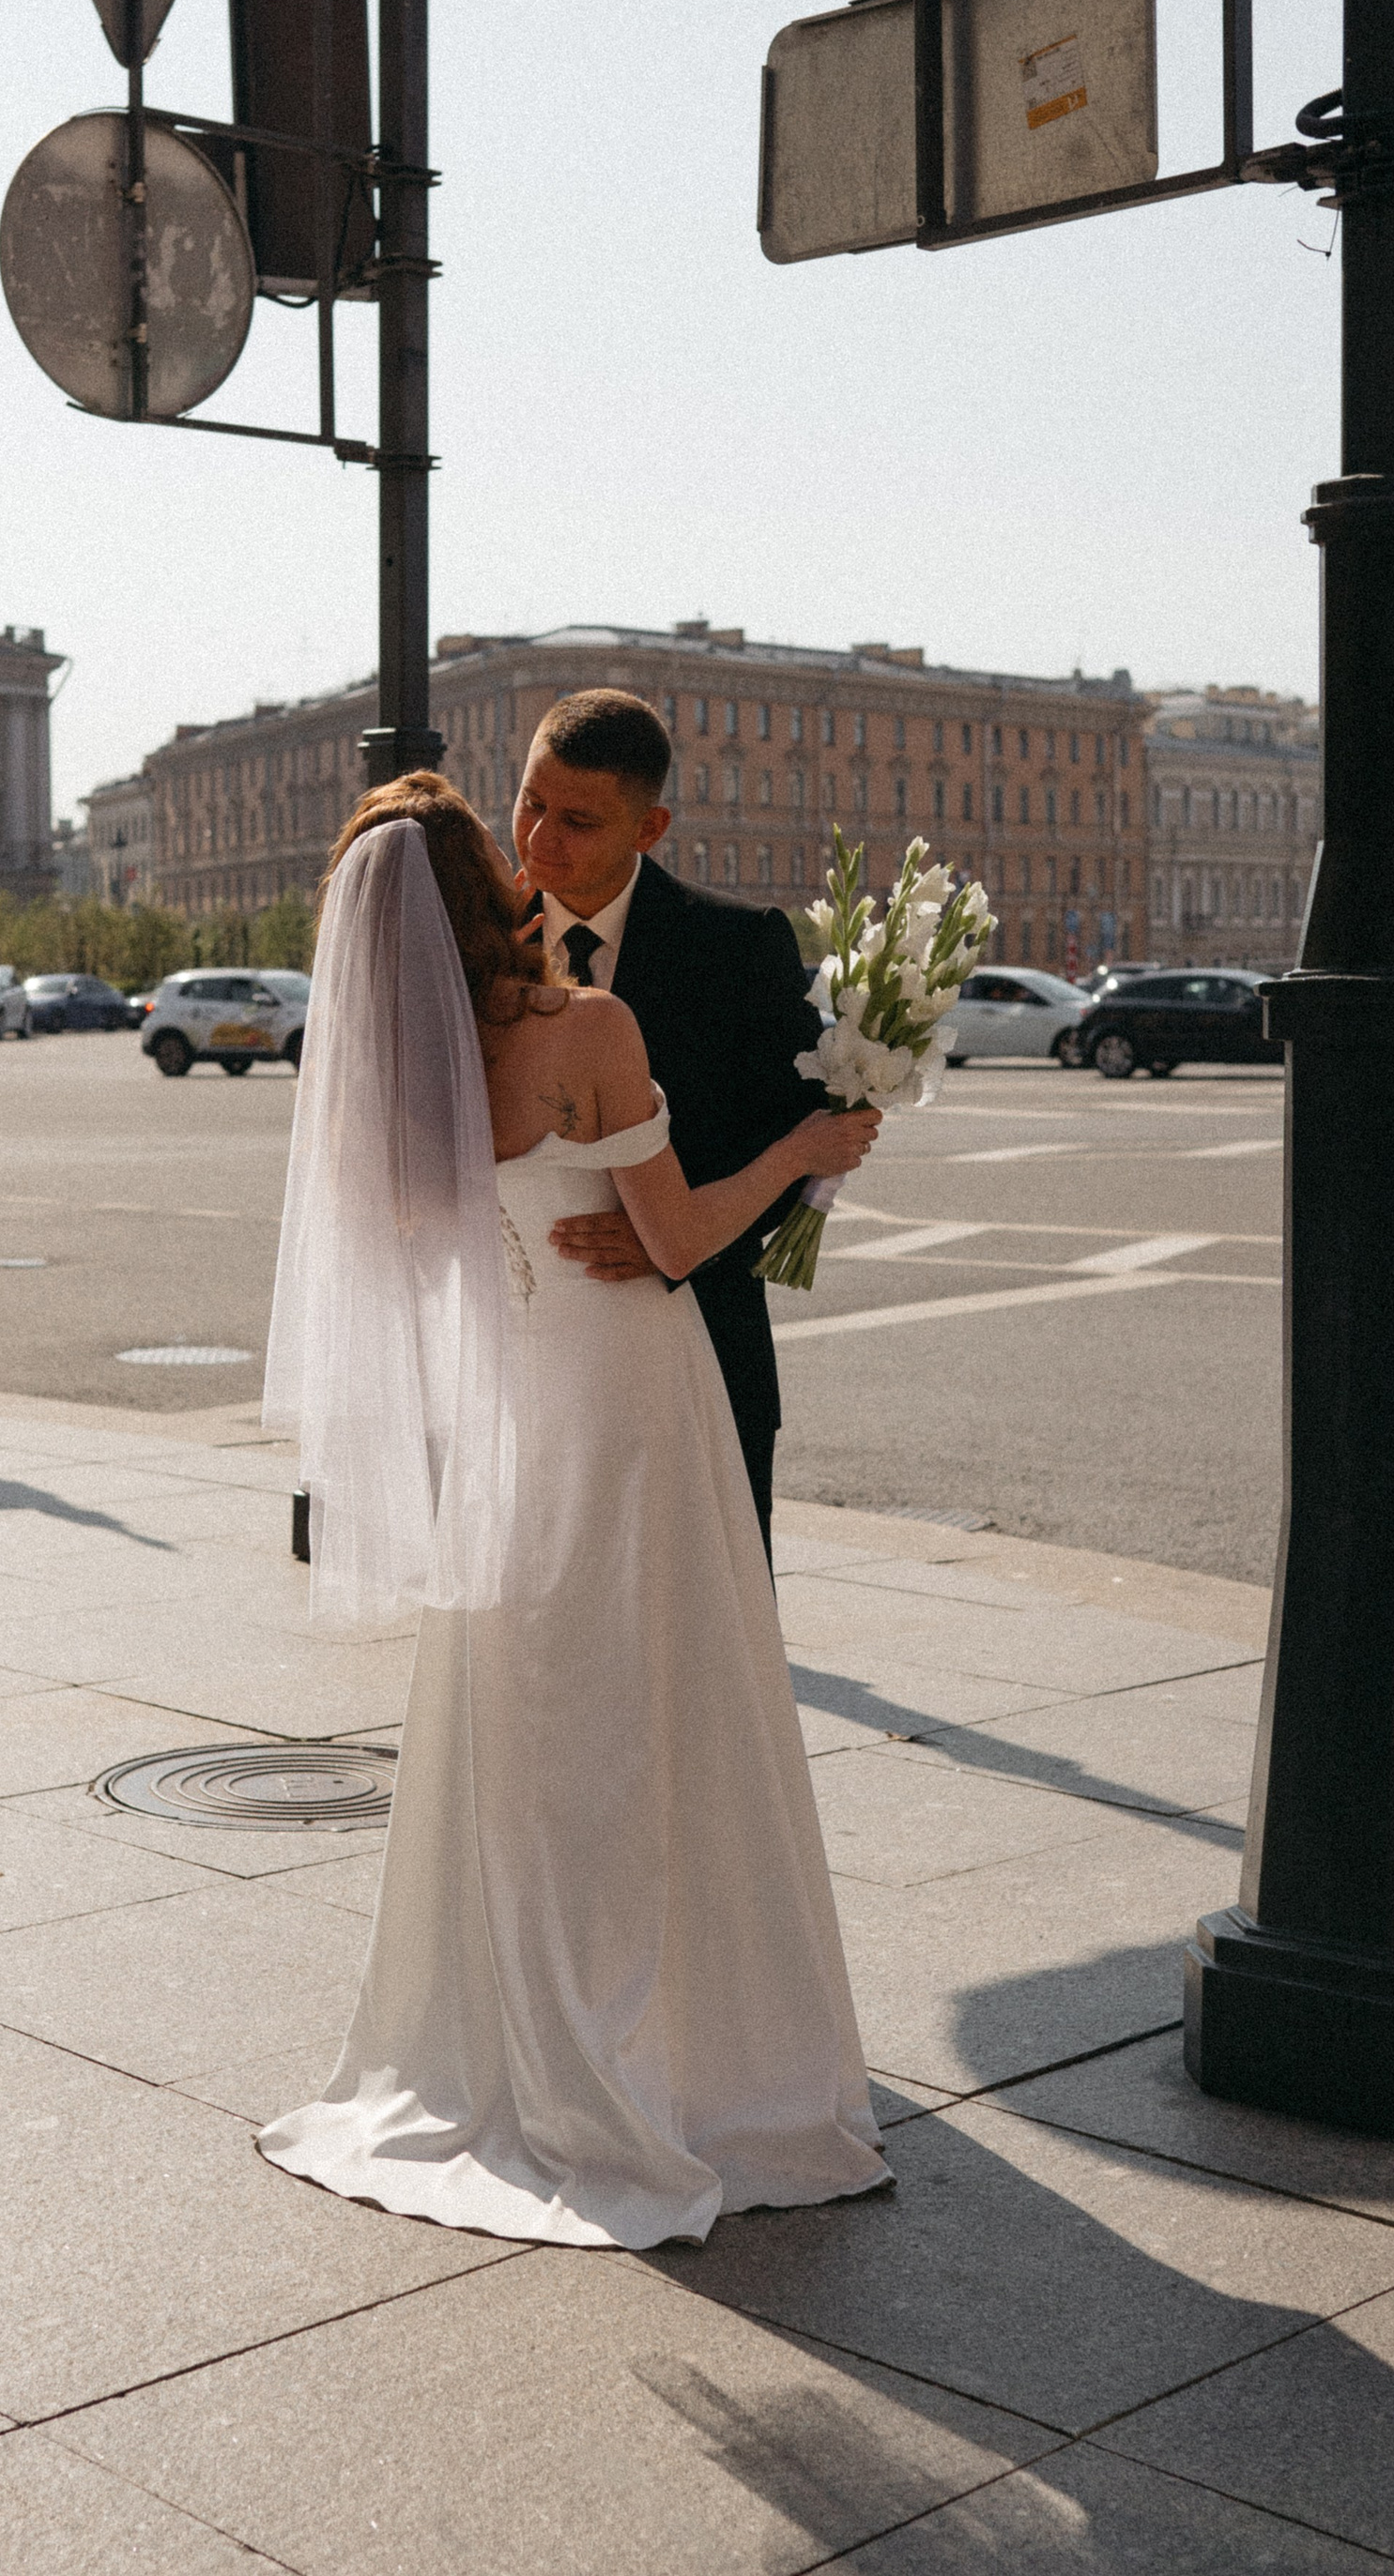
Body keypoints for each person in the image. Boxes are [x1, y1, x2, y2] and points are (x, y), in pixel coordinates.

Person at [256, 775, 892, 2250]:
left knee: (535, 1727)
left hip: (508, 1425)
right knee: (669, 1713)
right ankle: (677, 2051)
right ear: (480, 889)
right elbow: (676, 1238)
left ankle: (518, 2032)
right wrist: (805, 1152)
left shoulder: (402, 1080)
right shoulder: (587, 1031)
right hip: (631, 1413)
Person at [513, 689, 825, 1558]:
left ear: (649, 829)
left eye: (578, 821)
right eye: (531, 802)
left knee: (712, 1609)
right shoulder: (477, 946)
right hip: (527, 1362)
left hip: (704, 1349)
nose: (540, 839)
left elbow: (801, 1135)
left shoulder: (741, 947)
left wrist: (676, 1239)